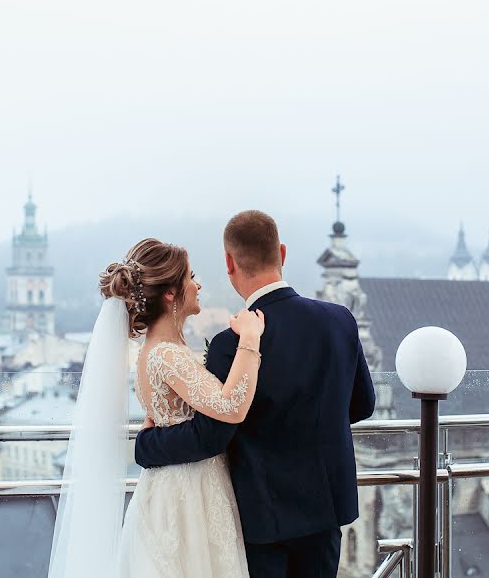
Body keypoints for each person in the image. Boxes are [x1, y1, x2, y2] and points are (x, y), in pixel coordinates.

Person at [136, 210, 376, 577]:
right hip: (326, 508)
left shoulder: (228, 344)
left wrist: (145, 446)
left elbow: (211, 435)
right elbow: (363, 404)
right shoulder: (340, 319)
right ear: (281, 252)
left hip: (264, 515)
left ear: (229, 263)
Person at [48, 237, 264, 577]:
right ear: (171, 294)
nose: (198, 284)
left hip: (171, 485)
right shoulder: (168, 354)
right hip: (188, 495)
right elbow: (231, 406)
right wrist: (251, 338)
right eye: (191, 276)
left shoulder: (155, 351)